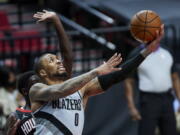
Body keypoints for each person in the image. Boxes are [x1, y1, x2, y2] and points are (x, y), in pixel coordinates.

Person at [30, 10, 164, 135]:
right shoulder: (37, 90)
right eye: (51, 60)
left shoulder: (81, 90)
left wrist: (147, 51)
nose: (59, 61)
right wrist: (95, 72)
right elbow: (60, 90)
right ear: (42, 72)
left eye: (58, 58)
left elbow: (119, 75)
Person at [124, 44, 180, 135]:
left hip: (167, 99)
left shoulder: (167, 51)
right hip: (148, 100)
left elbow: (175, 78)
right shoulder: (135, 54)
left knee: (171, 131)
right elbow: (129, 81)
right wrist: (131, 107)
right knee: (146, 131)